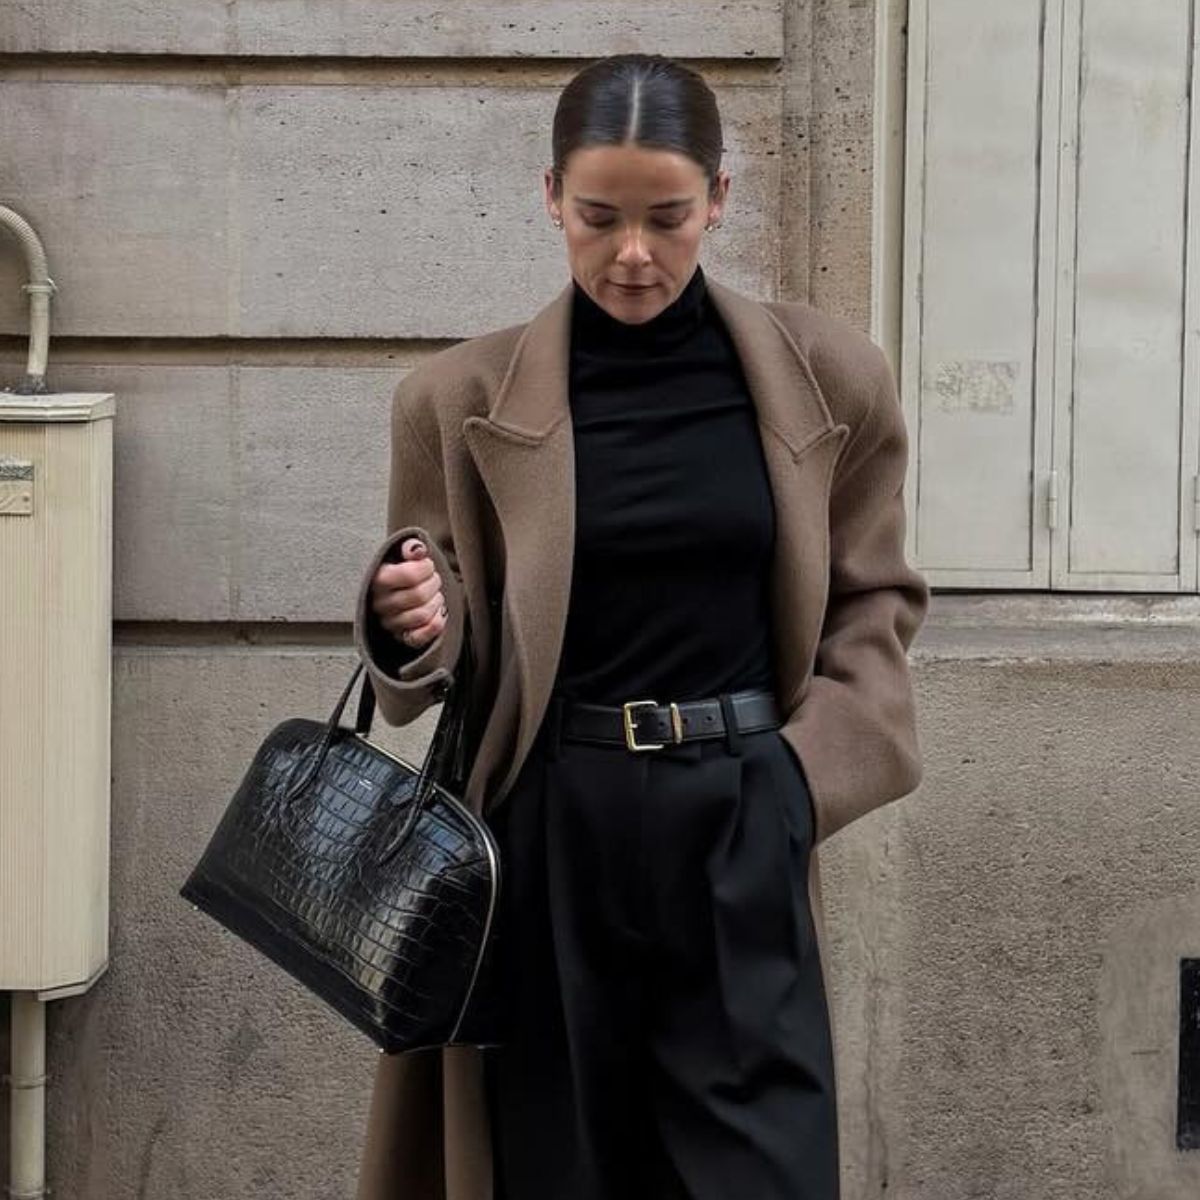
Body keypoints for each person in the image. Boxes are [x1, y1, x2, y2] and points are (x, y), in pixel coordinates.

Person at [351, 52, 928, 1200]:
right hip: (544, 834)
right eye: (599, 217)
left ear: (719, 197)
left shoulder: (832, 381)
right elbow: (442, 620)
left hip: (742, 816)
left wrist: (795, 787)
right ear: (551, 198)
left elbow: (877, 601)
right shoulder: (455, 400)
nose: (633, 253)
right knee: (556, 1168)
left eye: (667, 218)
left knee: (761, 1170)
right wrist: (413, 615)